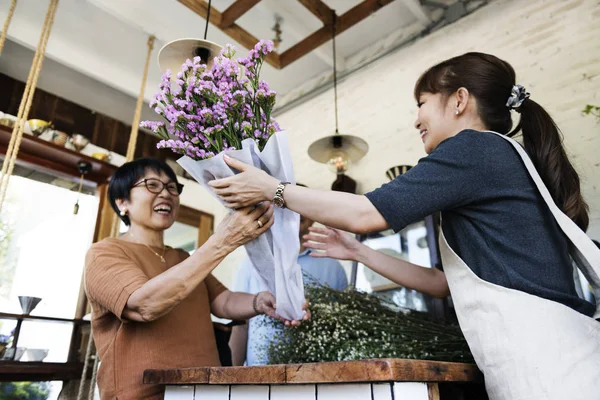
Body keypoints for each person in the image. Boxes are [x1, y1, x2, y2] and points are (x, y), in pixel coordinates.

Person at [208, 53, 600, 399]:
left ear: (460, 100)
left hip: (543, 366)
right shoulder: (500, 156)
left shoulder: (473, 148)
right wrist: (358, 251)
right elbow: (441, 284)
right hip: (552, 359)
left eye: (423, 103)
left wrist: (273, 188)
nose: (416, 119)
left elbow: (365, 212)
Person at [84, 158, 308, 400]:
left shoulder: (182, 256)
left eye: (172, 187)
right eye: (152, 185)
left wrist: (261, 302)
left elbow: (223, 301)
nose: (166, 194)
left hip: (205, 390)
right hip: (144, 394)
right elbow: (144, 305)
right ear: (122, 202)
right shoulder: (104, 253)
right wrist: (222, 241)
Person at [229, 192, 348, 366]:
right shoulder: (251, 263)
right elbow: (240, 324)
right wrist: (232, 379)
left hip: (318, 375)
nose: (295, 211)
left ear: (312, 216)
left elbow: (342, 326)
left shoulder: (333, 267)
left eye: (302, 206)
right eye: (288, 205)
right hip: (258, 378)